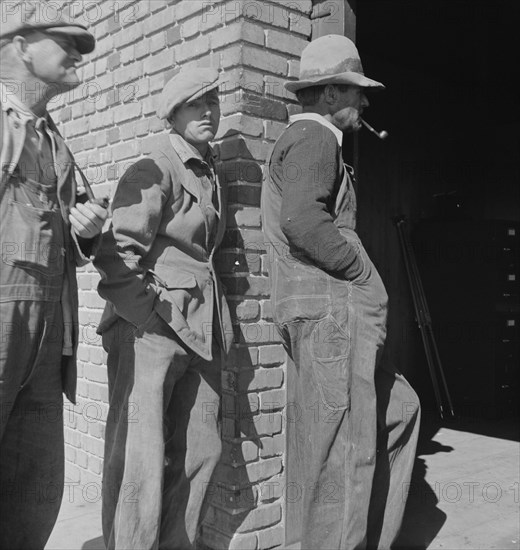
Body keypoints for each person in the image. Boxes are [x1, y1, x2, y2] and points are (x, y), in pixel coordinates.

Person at [261, 34, 421, 549]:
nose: (365, 103)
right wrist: (360, 272)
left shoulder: (309, 139)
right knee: (345, 452)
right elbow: (305, 222)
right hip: (335, 313)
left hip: (330, 313)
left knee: (398, 410)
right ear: (329, 94)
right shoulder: (315, 137)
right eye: (357, 92)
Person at [94, 67, 233, 550]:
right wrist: (148, 318)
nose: (209, 112)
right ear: (173, 114)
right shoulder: (155, 167)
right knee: (141, 461)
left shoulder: (207, 168)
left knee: (200, 451)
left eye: (214, 102)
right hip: (150, 332)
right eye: (197, 105)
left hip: (198, 329)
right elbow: (116, 254)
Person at [0, 2, 107, 548]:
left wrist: (85, 230)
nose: (76, 54)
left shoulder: (52, 136)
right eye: (63, 43)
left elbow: (60, 235)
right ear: (20, 46)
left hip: (48, 322)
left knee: (34, 476)